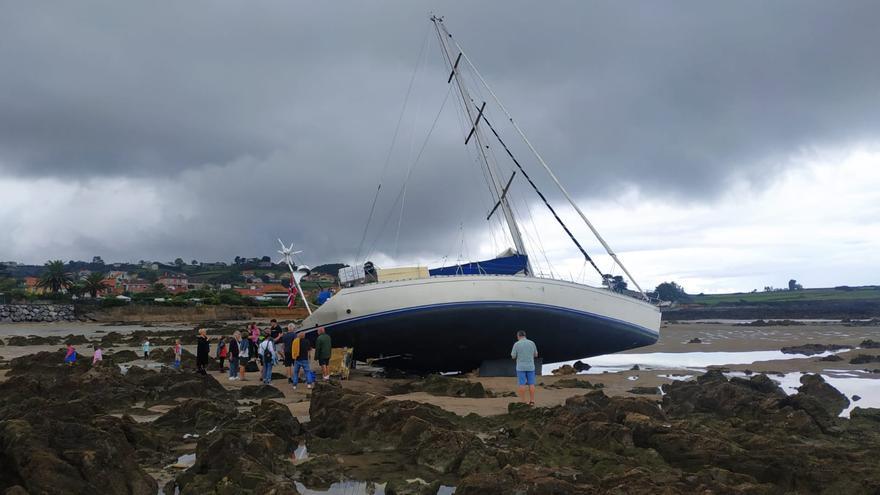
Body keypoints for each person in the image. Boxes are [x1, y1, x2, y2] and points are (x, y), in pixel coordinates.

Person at [511, 330, 539, 406]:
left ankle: (523, 402)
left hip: (520, 367)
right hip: (530, 366)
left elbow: (513, 356)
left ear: (518, 336)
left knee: (522, 384)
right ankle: (532, 401)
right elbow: (536, 354)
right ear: (525, 335)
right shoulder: (532, 343)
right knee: (531, 384)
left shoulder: (516, 344)